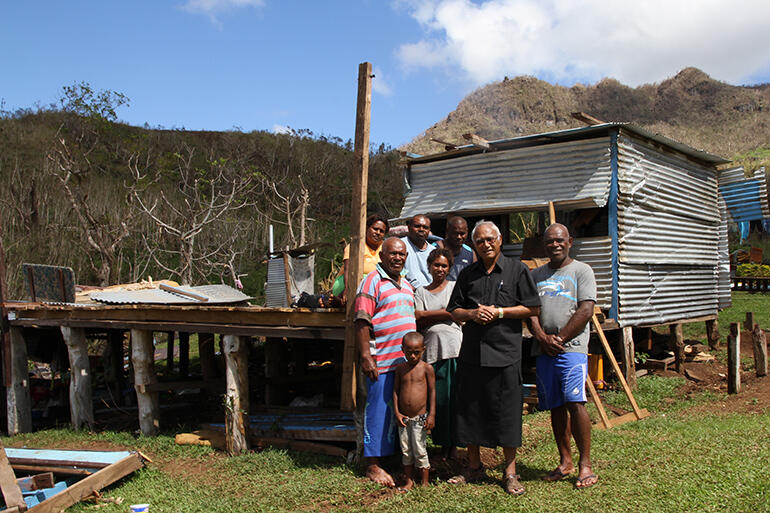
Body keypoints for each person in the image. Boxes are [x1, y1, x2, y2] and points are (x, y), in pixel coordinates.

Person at [446, 220, 540, 496]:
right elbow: (454, 310)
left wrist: (500, 312)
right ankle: (474, 466)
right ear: (473, 245)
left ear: (499, 241)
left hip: (505, 353)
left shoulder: (517, 270)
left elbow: (533, 308)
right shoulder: (467, 274)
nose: (485, 244)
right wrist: (472, 314)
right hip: (472, 354)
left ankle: (510, 472)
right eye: (479, 241)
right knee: (471, 410)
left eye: (490, 239)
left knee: (508, 413)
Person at [528, 223, 598, 489]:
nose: (554, 245)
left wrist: (561, 338)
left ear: (570, 241)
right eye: (549, 242)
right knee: (555, 405)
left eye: (559, 240)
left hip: (572, 349)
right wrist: (542, 338)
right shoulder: (536, 275)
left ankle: (585, 464)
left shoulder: (582, 270)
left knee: (575, 401)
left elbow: (586, 310)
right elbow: (530, 312)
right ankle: (565, 461)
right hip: (544, 349)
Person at [353, 237, 416, 487]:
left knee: (399, 412)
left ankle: (397, 460)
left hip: (403, 364)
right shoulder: (371, 281)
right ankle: (372, 465)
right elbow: (361, 321)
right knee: (377, 412)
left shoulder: (407, 284)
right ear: (382, 256)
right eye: (393, 253)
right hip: (381, 361)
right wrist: (367, 357)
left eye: (402, 254)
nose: (398, 258)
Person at [414, 248, 462, 459]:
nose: (440, 269)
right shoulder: (420, 292)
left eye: (444, 266)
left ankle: (454, 445)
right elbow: (418, 318)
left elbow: (458, 314)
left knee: (454, 399)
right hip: (431, 352)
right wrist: (445, 313)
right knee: (437, 400)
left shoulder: (454, 287)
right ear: (429, 267)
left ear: (449, 268)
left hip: (454, 349)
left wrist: (428, 314)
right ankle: (441, 443)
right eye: (436, 265)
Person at [393, 332, 436, 491]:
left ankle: (424, 482)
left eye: (416, 352)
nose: (412, 356)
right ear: (402, 349)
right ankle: (409, 481)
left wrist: (431, 415)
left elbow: (432, 392)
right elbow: (396, 391)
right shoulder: (400, 369)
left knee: (419, 449)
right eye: (409, 352)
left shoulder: (426, 369)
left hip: (420, 418)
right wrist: (397, 413)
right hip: (404, 419)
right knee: (406, 450)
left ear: (423, 350)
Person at [335, 214, 389, 301]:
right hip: (347, 283)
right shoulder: (354, 246)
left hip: (375, 286)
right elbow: (348, 269)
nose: (378, 233)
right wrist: (347, 289)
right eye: (375, 229)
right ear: (367, 228)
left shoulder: (386, 247)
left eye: (381, 231)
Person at [401, 214, 436, 288]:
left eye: (425, 227)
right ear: (409, 227)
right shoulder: (401, 246)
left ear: (429, 230)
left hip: (430, 293)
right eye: (417, 226)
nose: (421, 230)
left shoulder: (434, 251)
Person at [444, 216, 474, 281]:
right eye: (455, 233)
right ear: (448, 232)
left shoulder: (470, 252)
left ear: (467, 232)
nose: (459, 237)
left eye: (462, 233)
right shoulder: (435, 248)